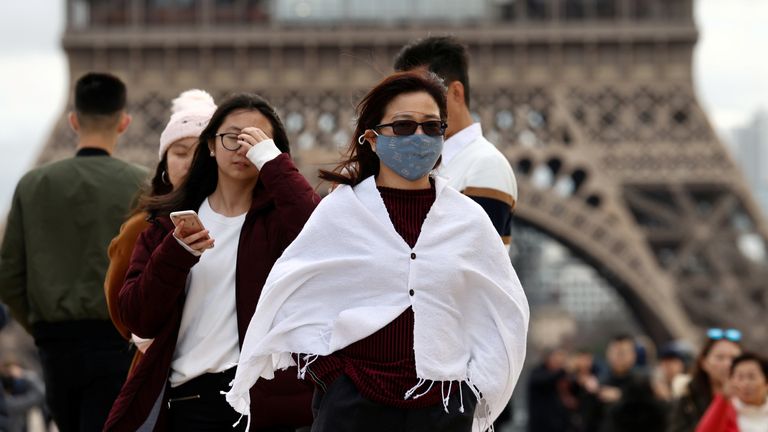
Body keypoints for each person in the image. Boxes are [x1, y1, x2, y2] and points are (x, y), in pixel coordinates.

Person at [225, 71, 530, 432]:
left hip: (443, 410)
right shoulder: (341, 212)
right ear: (371, 138)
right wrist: (334, 377)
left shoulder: (468, 220)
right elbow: (292, 292)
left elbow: (504, 311)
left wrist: (471, 389)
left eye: (432, 127)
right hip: (353, 408)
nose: (419, 136)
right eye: (403, 127)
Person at [105, 93, 319, 431]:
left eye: (256, 139)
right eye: (232, 136)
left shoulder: (281, 224)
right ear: (210, 146)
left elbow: (322, 237)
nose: (241, 147)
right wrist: (175, 253)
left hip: (264, 405)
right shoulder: (165, 227)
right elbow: (137, 318)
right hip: (191, 402)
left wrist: (274, 163)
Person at [0, 72, 148, 431]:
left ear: (73, 120)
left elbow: (9, 276)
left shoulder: (33, 184)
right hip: (119, 341)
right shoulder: (144, 184)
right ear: (124, 122)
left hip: (56, 342)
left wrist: (40, 326)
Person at [104, 89, 216, 363]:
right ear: (164, 163)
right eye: (180, 152)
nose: (191, 162)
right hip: (166, 369)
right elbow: (123, 311)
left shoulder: (243, 219)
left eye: (201, 153)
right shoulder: (141, 229)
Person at [394, 36, 517, 247]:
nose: (406, 107)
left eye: (419, 93)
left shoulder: (486, 164)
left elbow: (470, 261)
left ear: (456, 93)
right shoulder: (424, 167)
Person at [669, 329, 743, 432]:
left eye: (734, 358)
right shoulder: (688, 398)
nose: (728, 364)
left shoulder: (752, 396)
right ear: (703, 363)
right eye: (720, 358)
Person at [695, 352, 768, 432]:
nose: (745, 384)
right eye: (740, 377)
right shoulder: (724, 411)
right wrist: (723, 399)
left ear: (766, 381)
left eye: (752, 377)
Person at [527, 349, 578, 432]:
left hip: (561, 424)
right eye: (556, 359)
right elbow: (546, 380)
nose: (559, 362)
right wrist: (563, 370)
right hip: (542, 425)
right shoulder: (538, 372)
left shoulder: (563, 376)